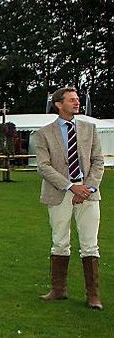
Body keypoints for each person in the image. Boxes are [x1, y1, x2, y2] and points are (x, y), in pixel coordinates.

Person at [37, 87, 103, 310]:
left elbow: (98, 162)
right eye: (72, 100)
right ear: (58, 104)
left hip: (88, 195)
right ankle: (58, 290)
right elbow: (44, 167)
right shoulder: (44, 133)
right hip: (59, 194)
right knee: (60, 241)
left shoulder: (89, 129)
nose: (77, 103)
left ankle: (93, 295)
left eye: (77, 100)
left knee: (90, 245)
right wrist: (70, 187)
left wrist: (87, 189)